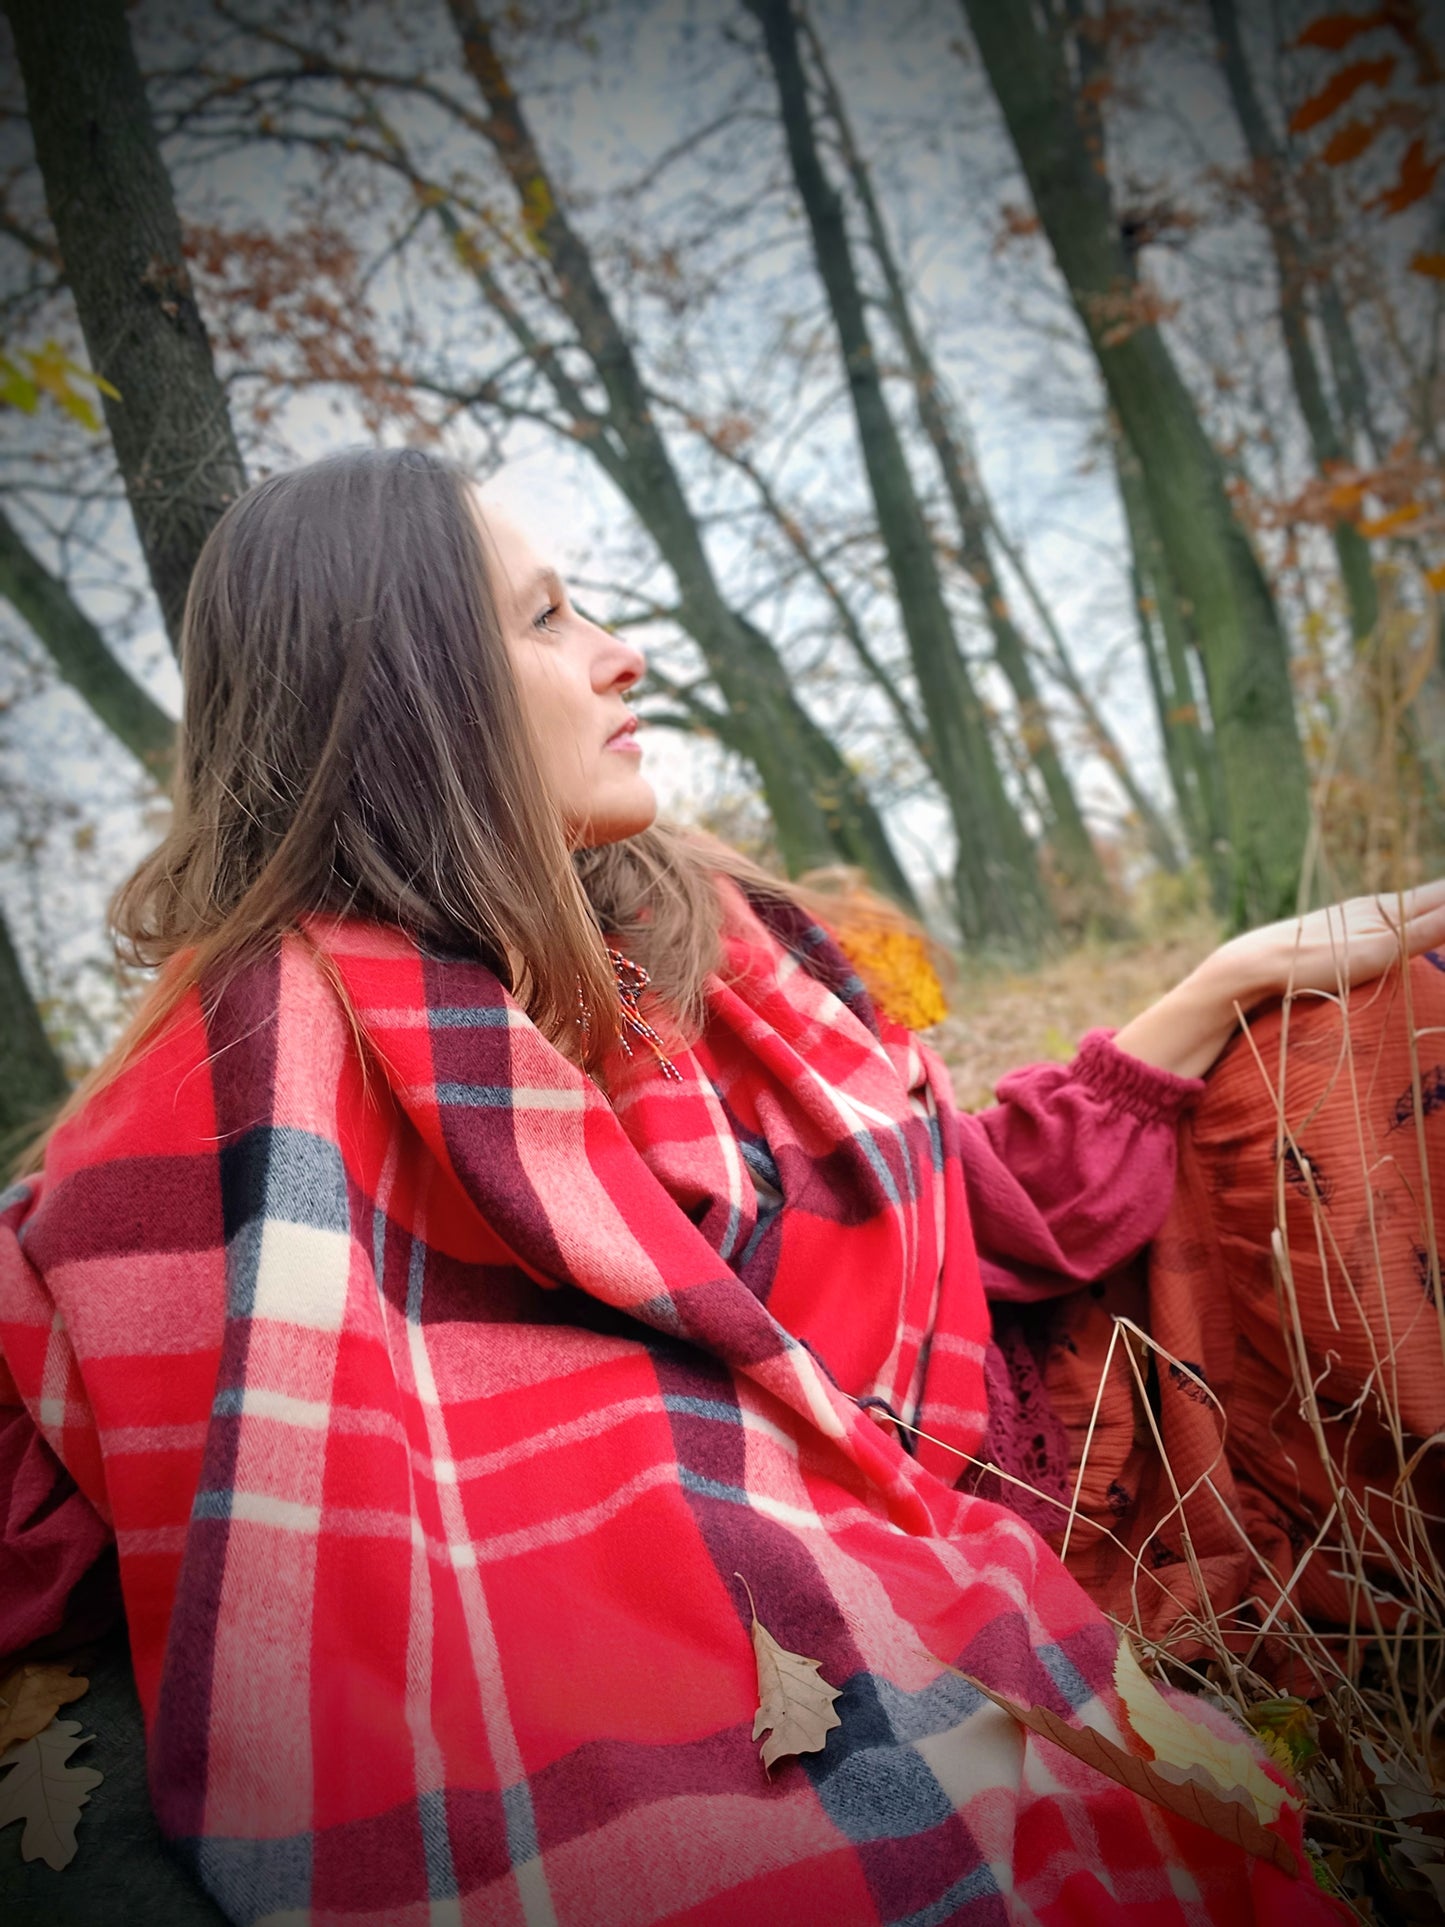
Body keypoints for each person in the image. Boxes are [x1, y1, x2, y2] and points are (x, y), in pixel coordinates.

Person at [1, 445, 1438, 1926]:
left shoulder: (731, 943)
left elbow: (983, 1208)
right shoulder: (278, 1055)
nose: (622, 658)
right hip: (895, 1551)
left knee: (1397, 1021)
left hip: (1075, 1396)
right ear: (410, 687)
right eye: (546, 619)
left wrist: (1216, 988)